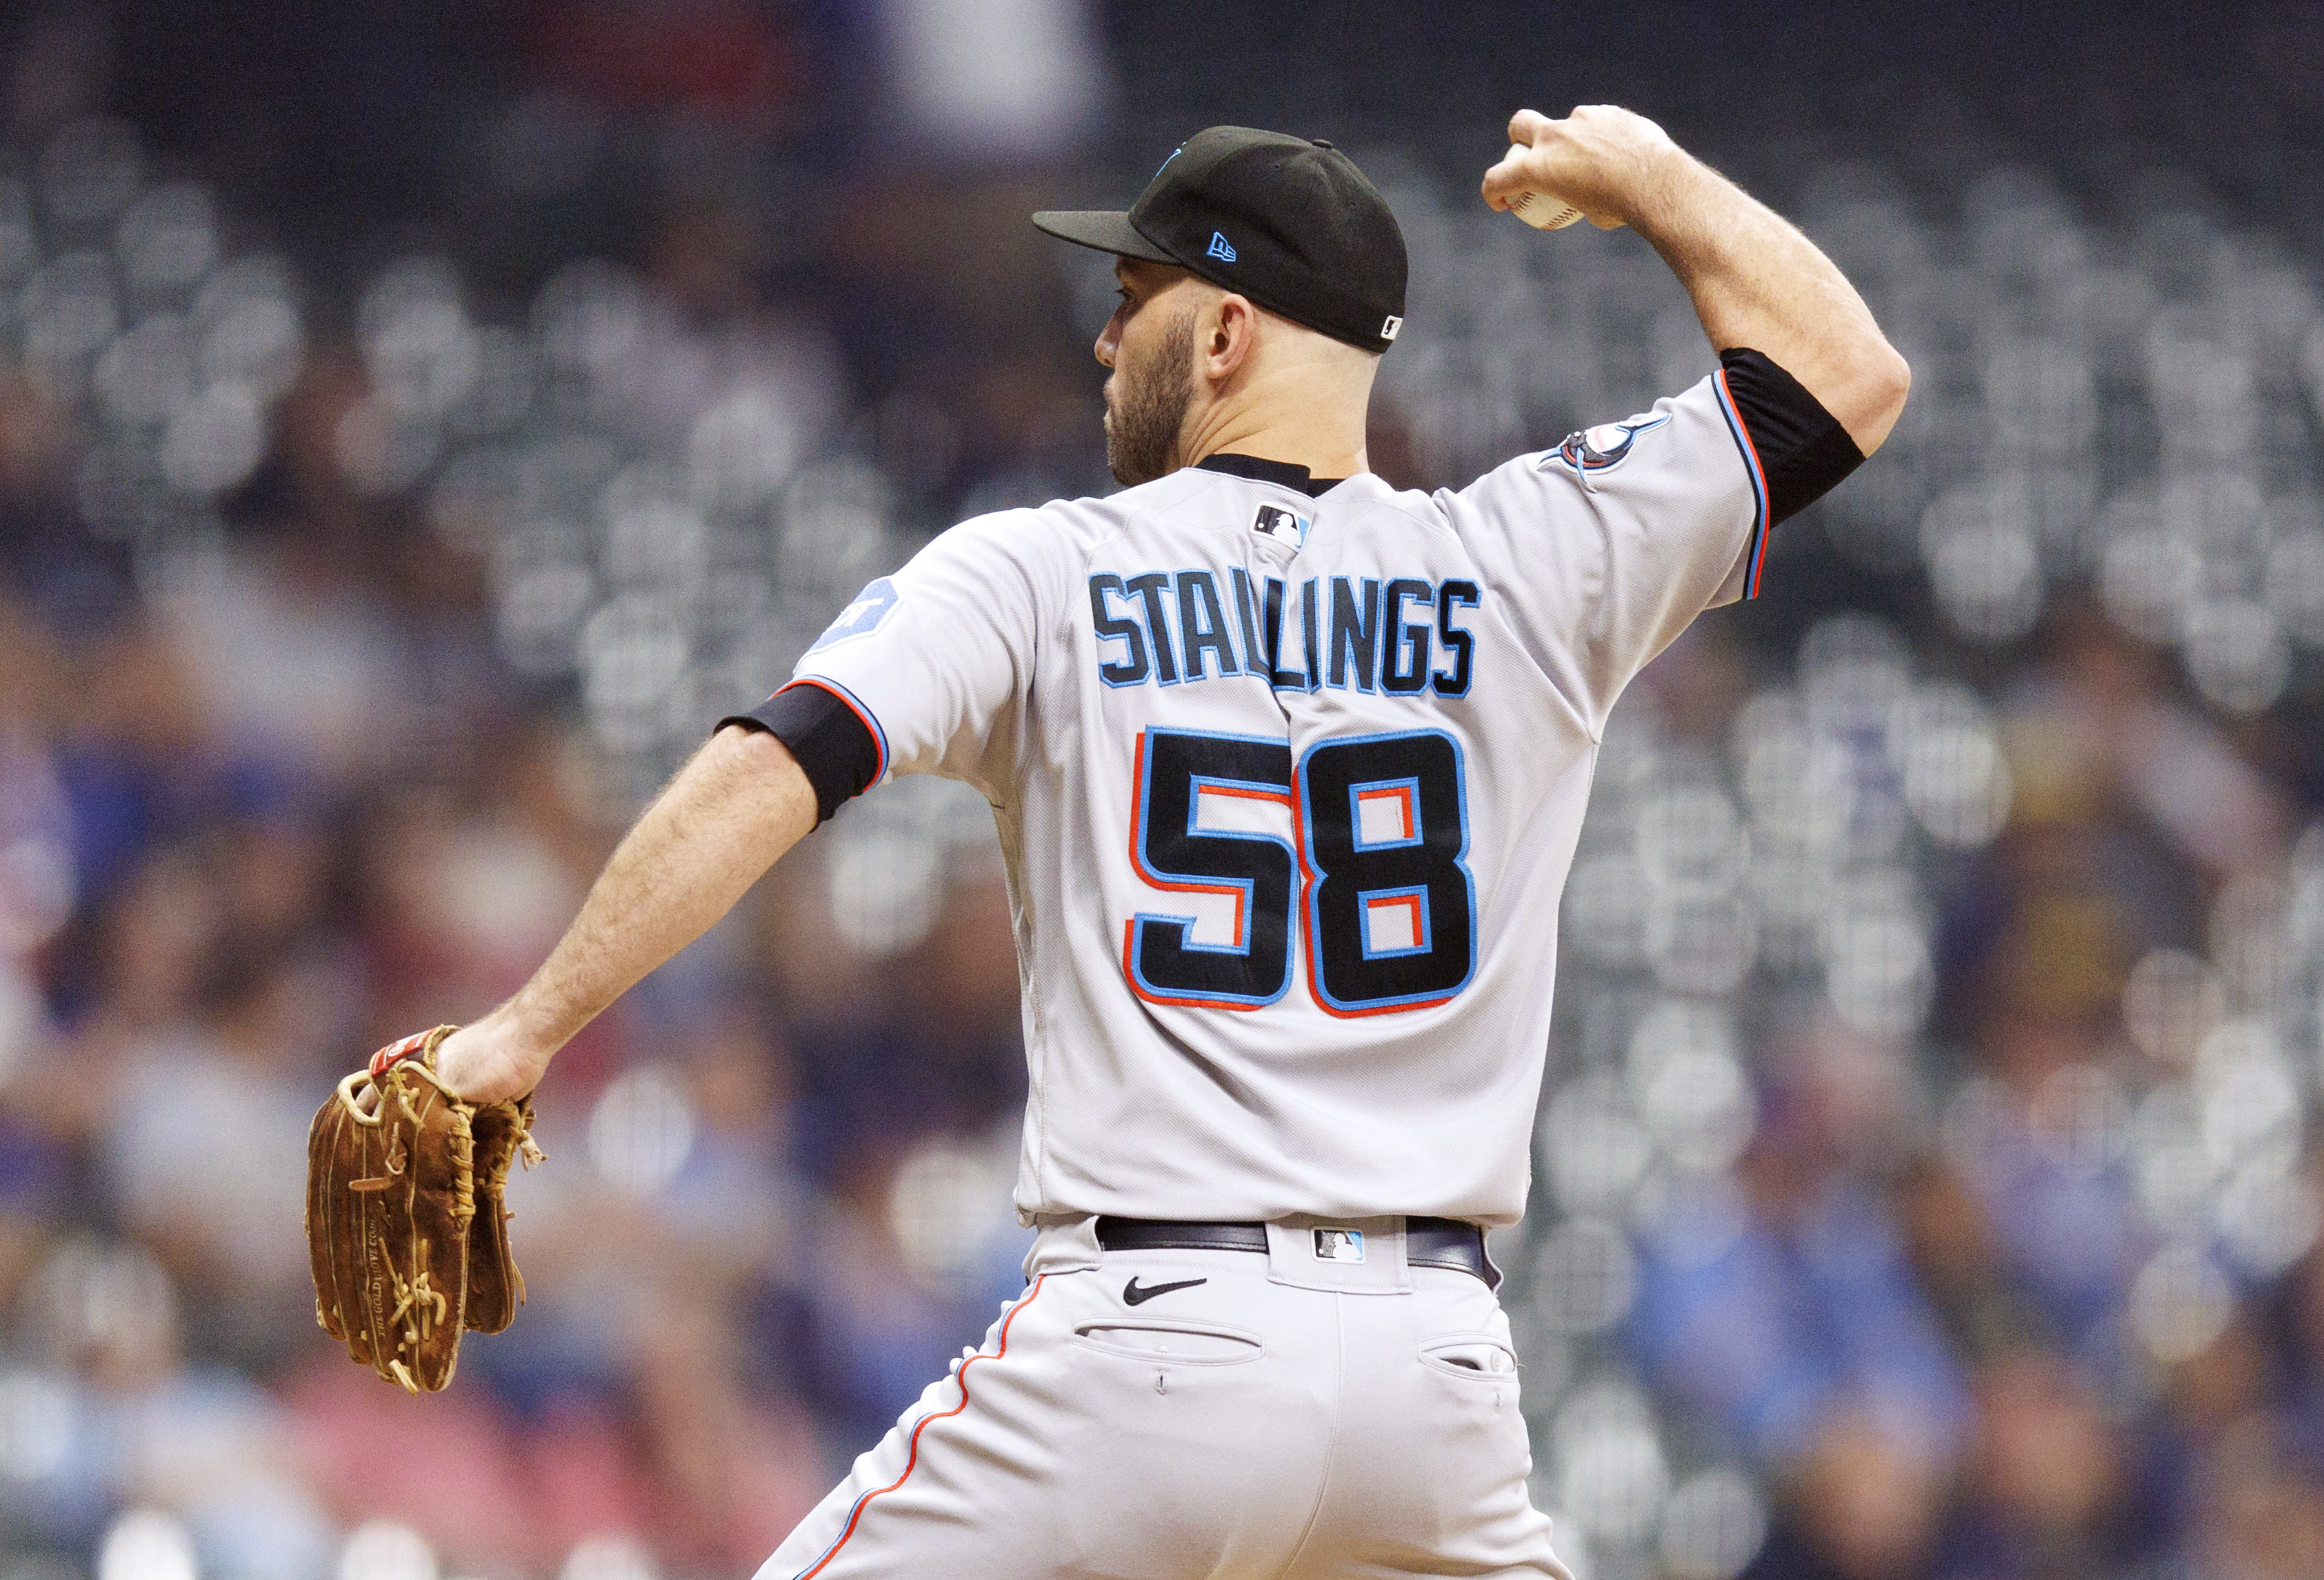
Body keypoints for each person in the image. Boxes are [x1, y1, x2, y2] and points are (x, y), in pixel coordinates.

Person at [424, 106, 1909, 1578]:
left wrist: (526, 1027)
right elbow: (1847, 374)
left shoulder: (1042, 567)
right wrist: (1652, 182)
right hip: (1436, 1383)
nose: (1102, 340)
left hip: (1151, 1343)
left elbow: (781, 759)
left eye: (1133, 301)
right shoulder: (1525, 560)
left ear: (1225, 339)